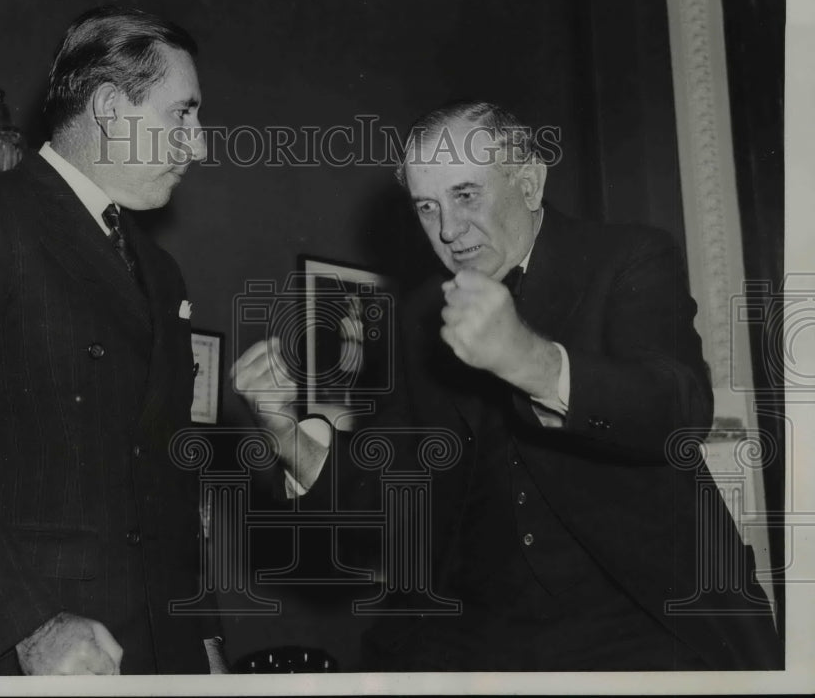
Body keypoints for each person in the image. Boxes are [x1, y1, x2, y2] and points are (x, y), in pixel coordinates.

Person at [232, 100, 782, 670]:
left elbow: (678, 408)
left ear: (528, 182)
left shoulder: (629, 258)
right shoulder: (418, 316)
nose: (447, 229)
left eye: (466, 195)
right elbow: (388, 503)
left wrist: (530, 361)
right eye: (427, 206)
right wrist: (282, 430)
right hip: (480, 644)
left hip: (643, 626)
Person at [0, 6, 223, 675]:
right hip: (28, 656)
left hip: (159, 655)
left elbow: (170, 484)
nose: (199, 144)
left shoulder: (160, 272)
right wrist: (27, 628)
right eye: (183, 114)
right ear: (113, 110)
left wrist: (202, 639)